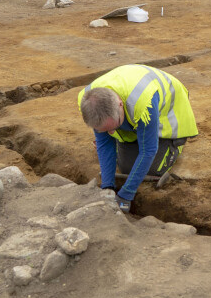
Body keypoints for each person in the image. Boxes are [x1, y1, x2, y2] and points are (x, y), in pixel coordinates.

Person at [78, 65, 199, 212]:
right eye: (105, 129)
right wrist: (107, 187)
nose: (111, 132)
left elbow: (148, 150)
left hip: (168, 113)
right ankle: (129, 128)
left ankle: (176, 143)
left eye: (113, 126)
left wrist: (126, 195)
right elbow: (104, 142)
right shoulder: (88, 102)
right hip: (132, 112)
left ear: (120, 105)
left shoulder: (143, 102)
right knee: (127, 167)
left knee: (153, 168)